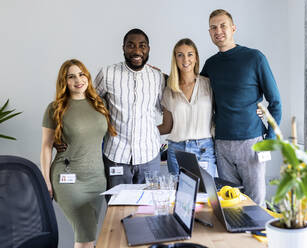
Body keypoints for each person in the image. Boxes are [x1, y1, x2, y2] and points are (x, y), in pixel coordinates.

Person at [200, 9, 282, 206]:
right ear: (209, 32)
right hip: (221, 144)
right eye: (213, 27)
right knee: (231, 205)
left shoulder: (255, 58)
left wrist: (269, 140)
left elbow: (275, 102)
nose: (218, 31)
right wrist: (164, 77)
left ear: (233, 28)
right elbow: (192, 90)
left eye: (222, 25)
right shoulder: (211, 65)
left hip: (251, 143)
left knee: (255, 204)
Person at [40, 59, 116, 248]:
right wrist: (46, 181)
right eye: (71, 76)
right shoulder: (55, 108)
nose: (78, 80)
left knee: (88, 234)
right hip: (69, 180)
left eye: (81, 74)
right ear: (63, 81)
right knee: (85, 235)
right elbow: (46, 146)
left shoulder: (100, 104)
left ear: (88, 77)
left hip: (97, 179)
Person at [94, 28, 165, 189]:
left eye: (142, 45)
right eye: (131, 45)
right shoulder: (107, 74)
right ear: (123, 48)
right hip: (116, 155)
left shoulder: (157, 77)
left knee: (147, 209)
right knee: (117, 208)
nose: (137, 50)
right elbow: (90, 103)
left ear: (148, 48)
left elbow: (164, 108)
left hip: (149, 156)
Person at [158, 38, 217, 177]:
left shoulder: (208, 84)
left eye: (190, 54)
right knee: (181, 197)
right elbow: (167, 126)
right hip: (176, 151)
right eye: (180, 55)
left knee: (208, 196)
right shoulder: (170, 89)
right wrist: (141, 131)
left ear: (196, 57)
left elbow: (225, 110)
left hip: (204, 149)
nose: (185, 59)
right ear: (175, 59)